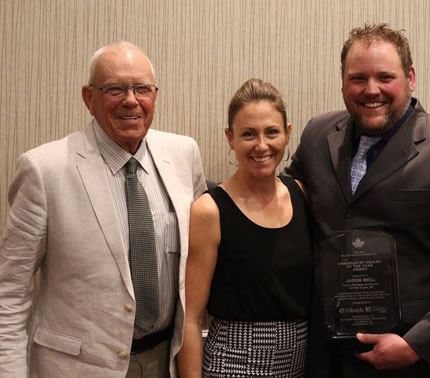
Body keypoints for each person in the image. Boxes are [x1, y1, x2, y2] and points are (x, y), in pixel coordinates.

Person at [283, 23, 430, 377]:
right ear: (342, 81)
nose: (371, 90)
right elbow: (279, 200)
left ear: (410, 77)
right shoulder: (317, 135)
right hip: (324, 360)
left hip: (411, 363)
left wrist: (418, 343)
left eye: (385, 77)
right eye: (358, 78)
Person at [0, 41, 207, 377]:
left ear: (154, 95)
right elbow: (9, 293)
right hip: (75, 368)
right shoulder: (43, 169)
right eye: (114, 89)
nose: (130, 100)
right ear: (89, 98)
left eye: (142, 88)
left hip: (164, 362)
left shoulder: (184, 155)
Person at [177, 79, 312, 378]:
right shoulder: (209, 210)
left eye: (272, 132)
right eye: (248, 134)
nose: (262, 145)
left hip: (299, 364)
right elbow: (191, 318)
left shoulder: (301, 194)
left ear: (288, 133)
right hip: (233, 363)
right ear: (230, 137)